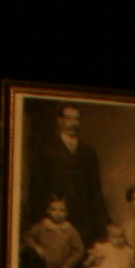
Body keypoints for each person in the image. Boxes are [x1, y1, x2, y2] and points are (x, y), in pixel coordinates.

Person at [33, 100, 109, 244]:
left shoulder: (88, 152)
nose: (73, 123)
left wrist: (102, 224)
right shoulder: (47, 150)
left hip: (84, 221)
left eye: (76, 119)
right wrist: (41, 219)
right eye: (68, 118)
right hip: (55, 219)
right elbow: (36, 189)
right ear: (60, 121)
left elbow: (95, 190)